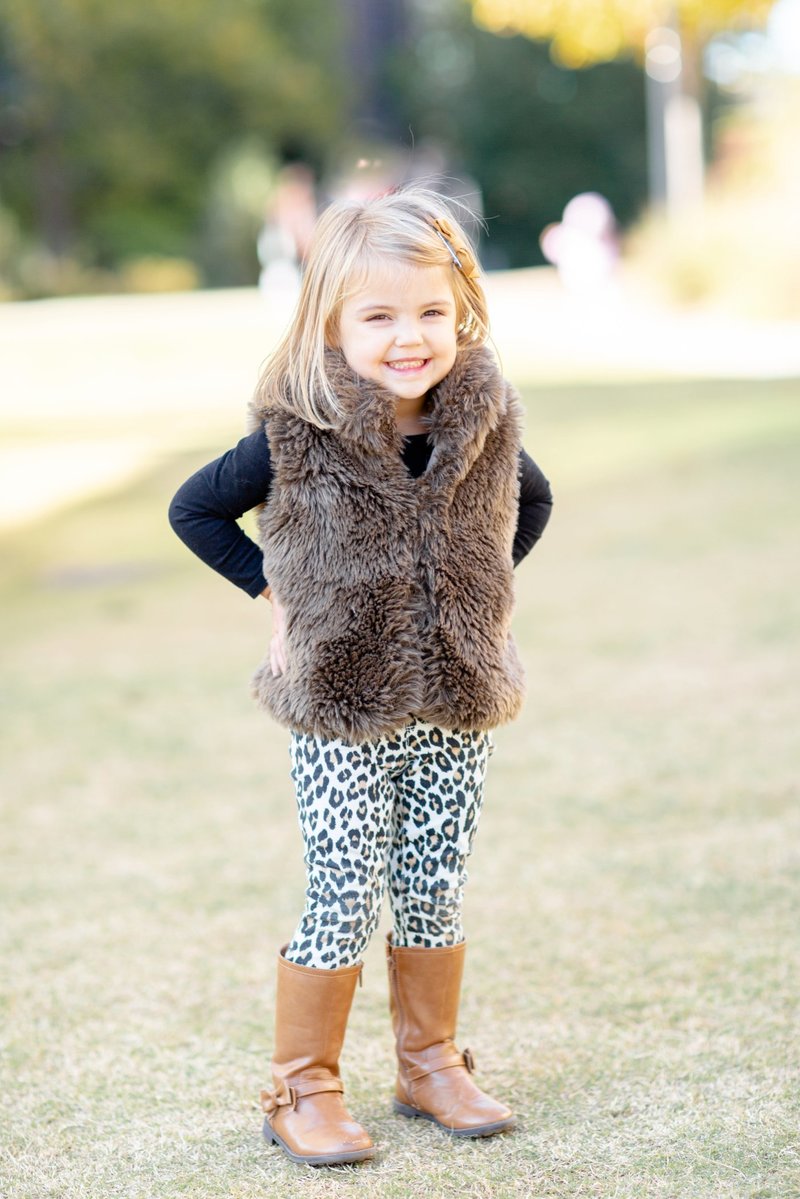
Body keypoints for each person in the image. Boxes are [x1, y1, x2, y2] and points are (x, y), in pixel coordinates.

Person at [168, 187, 553, 1167]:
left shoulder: (483, 419)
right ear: (331, 324)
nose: (408, 336)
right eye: (378, 316)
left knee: (434, 884)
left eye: (429, 311)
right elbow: (194, 510)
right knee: (342, 891)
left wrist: (478, 591)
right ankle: (301, 1085)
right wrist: (277, 592)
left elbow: (532, 503)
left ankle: (429, 1063)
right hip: (343, 707)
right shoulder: (296, 431)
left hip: (454, 702)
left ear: (461, 311)